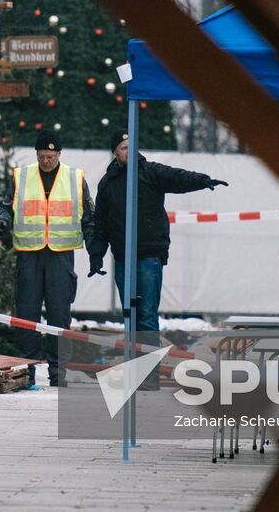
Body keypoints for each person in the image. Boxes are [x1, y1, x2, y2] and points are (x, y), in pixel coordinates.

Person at [88, 130, 226, 386]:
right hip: (122, 259)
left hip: (148, 256)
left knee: (147, 316)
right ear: (115, 152)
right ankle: (135, 371)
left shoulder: (149, 171)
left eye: (131, 146)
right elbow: (100, 224)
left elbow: (176, 178)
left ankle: (149, 377)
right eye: (122, 147)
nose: (128, 151)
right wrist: (96, 255)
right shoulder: (108, 183)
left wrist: (203, 180)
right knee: (130, 316)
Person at [0, 132, 95, 386]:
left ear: (59, 154)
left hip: (60, 255)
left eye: (51, 156)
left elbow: (88, 217)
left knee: (59, 315)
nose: (46, 161)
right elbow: (8, 205)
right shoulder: (22, 176)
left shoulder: (75, 178)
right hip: (30, 255)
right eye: (42, 156)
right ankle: (26, 372)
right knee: (27, 313)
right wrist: (2, 221)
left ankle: (57, 373)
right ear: (36, 154)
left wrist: (95, 248)